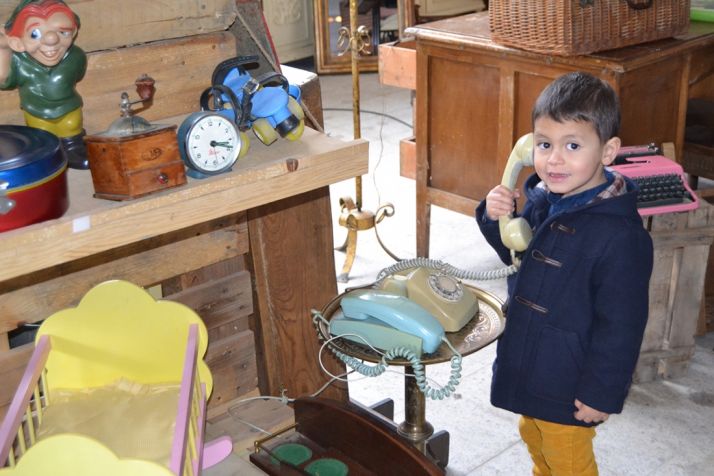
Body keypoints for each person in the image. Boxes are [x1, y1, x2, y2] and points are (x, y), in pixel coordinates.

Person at [476, 72, 653, 475]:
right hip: (533, 359)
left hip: (569, 379)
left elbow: (622, 326)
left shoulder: (621, 237)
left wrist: (601, 393)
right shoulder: (543, 199)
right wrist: (495, 216)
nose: (553, 159)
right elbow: (515, 247)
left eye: (572, 145)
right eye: (543, 144)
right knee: (534, 435)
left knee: (566, 457)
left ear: (608, 152)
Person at [0, 0, 88, 169]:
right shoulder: (19, 62)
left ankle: (73, 150)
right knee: (43, 137)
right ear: (17, 42)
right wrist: (3, 50)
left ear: (74, 31)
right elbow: (3, 80)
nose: (51, 40)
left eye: (62, 32)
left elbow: (77, 75)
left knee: (72, 128)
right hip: (37, 112)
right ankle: (50, 158)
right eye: (34, 34)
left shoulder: (76, 57)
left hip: (69, 107)